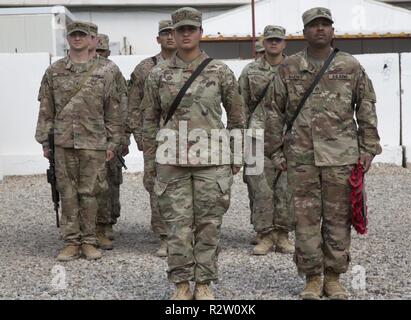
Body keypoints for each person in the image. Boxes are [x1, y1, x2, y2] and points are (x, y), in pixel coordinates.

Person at [250, 7, 381, 299]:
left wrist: (368, 148)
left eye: (325, 25)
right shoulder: (290, 67)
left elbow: (367, 106)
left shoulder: (350, 65)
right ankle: (311, 277)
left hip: (341, 158)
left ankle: (333, 278)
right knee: (305, 221)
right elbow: (273, 112)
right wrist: (275, 152)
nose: (320, 29)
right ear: (305, 32)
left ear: (332, 30)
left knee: (338, 220)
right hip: (301, 158)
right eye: (314, 25)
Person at [140, 7, 245, 299]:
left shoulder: (220, 71)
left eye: (191, 29)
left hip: (212, 160)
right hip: (172, 160)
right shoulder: (158, 74)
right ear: (171, 34)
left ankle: (204, 283)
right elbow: (148, 120)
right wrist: (150, 161)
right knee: (176, 225)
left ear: (200, 33)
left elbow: (237, 117)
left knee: (209, 224)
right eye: (180, 30)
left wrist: (236, 157)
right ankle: (182, 284)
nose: (185, 34)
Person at [35, 21, 121, 261]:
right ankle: (72, 242)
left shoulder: (106, 71)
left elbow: (113, 110)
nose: (77, 39)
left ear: (91, 38)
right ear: (67, 38)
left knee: (91, 192)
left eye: (82, 35)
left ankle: (90, 241)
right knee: (67, 193)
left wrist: (113, 143)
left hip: (94, 142)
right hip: (63, 142)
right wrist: (45, 141)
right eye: (73, 35)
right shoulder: (54, 71)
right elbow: (46, 108)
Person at [239, 25, 294, 255]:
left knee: (286, 188)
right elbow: (239, 105)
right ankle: (264, 234)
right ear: (264, 42)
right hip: (256, 136)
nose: (274, 43)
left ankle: (282, 234)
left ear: (284, 44)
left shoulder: (296, 69)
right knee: (259, 188)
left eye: (278, 40)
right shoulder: (250, 71)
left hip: (287, 136)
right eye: (270, 39)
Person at [127, 20, 177, 257]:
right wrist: (140, 135)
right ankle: (165, 236)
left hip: (187, 138)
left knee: (188, 185)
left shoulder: (195, 65)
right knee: (157, 186)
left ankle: (186, 233)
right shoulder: (145, 68)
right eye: (164, 34)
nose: (170, 37)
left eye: (172, 32)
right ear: (158, 39)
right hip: (155, 139)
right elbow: (133, 104)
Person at [95, 32, 129, 248]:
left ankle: (107, 222)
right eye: (95, 50)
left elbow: (122, 104)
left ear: (107, 52)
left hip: (109, 136)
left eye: (101, 51)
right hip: (85, 137)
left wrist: (122, 136)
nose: (97, 55)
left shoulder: (112, 72)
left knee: (110, 182)